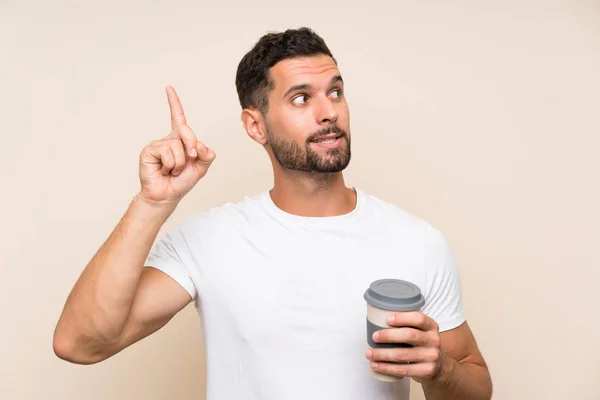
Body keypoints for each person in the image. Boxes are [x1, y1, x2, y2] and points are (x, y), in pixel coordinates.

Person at [53, 27, 492, 400]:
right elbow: (80, 343)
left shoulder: (415, 240)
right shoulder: (209, 239)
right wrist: (153, 203)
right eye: (301, 99)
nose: (329, 112)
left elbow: (476, 383)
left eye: (335, 92)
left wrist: (439, 371)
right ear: (255, 125)